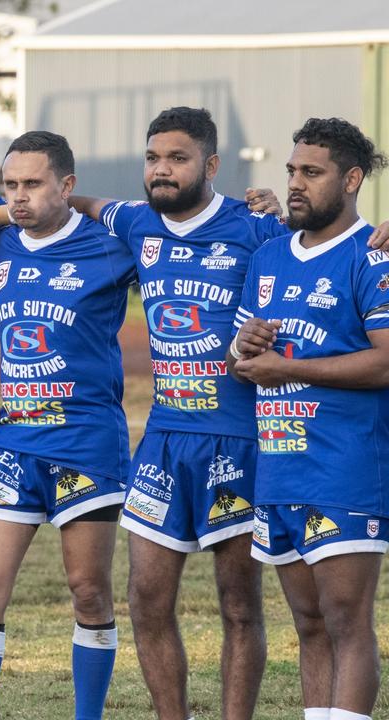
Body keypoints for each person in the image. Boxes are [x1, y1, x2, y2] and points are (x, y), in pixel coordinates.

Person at [68, 107, 288, 720]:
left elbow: (320, 244)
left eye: (177, 159)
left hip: (238, 441)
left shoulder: (255, 227)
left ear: (210, 165)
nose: (161, 170)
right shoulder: (138, 222)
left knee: (239, 605)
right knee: (145, 598)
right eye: (153, 158)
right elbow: (78, 203)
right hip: (163, 441)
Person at [0, 131, 134, 720]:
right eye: (11, 185)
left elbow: (184, 234)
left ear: (68, 186)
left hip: (87, 446)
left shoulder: (111, 246)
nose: (20, 198)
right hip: (12, 444)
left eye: (33, 184)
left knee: (88, 590)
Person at [229, 117, 389, 720]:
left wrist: (291, 371)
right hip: (280, 468)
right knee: (311, 624)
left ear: (351, 180)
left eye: (311, 173)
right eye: (293, 170)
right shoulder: (268, 256)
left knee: (348, 621)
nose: (295, 183)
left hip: (345, 468)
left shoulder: (372, 255)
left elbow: (386, 362)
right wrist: (246, 347)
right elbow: (243, 361)